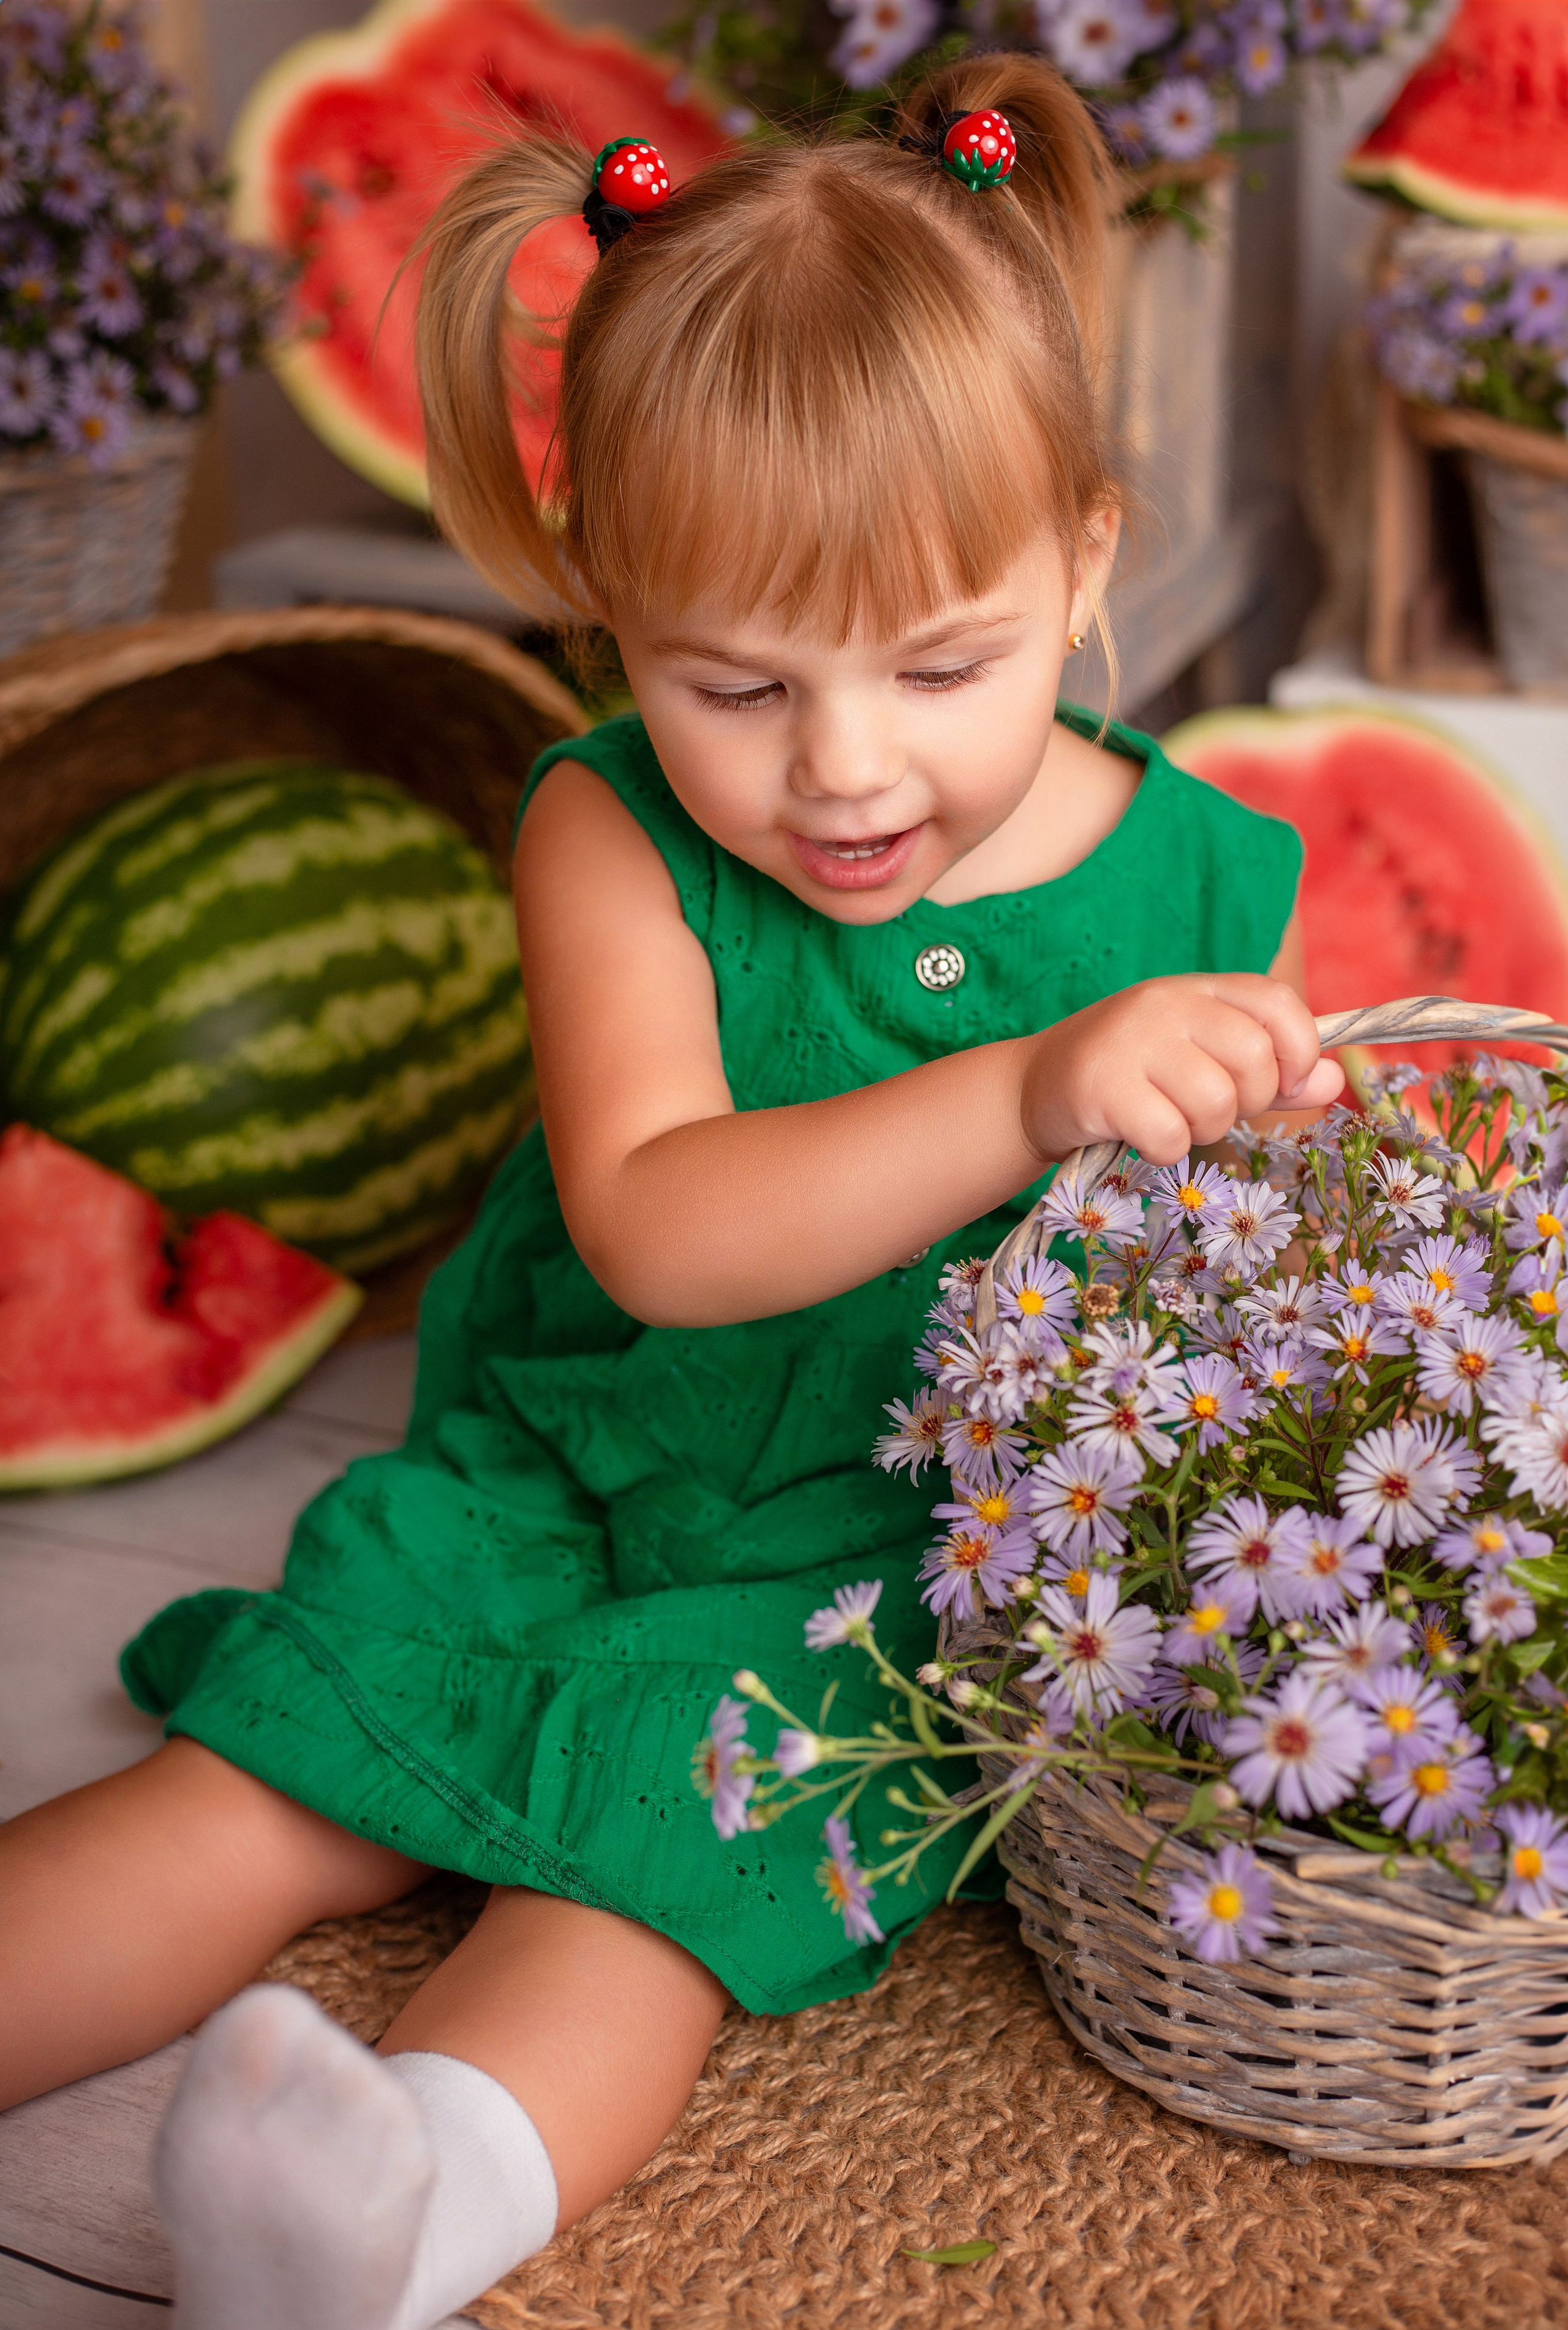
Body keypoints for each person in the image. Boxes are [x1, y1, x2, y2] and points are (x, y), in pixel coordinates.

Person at [0, 56, 1342, 2330]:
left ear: (1085, 561)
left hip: (871, 1562)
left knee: (641, 1894)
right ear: (615, 619)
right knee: (265, 1777)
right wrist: (1030, 1091)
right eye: (734, 680)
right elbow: (659, 1222)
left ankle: (377, 2221)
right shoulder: (607, 832)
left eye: (942, 665)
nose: (839, 764)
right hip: (583, 1455)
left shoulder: (1205, 879)